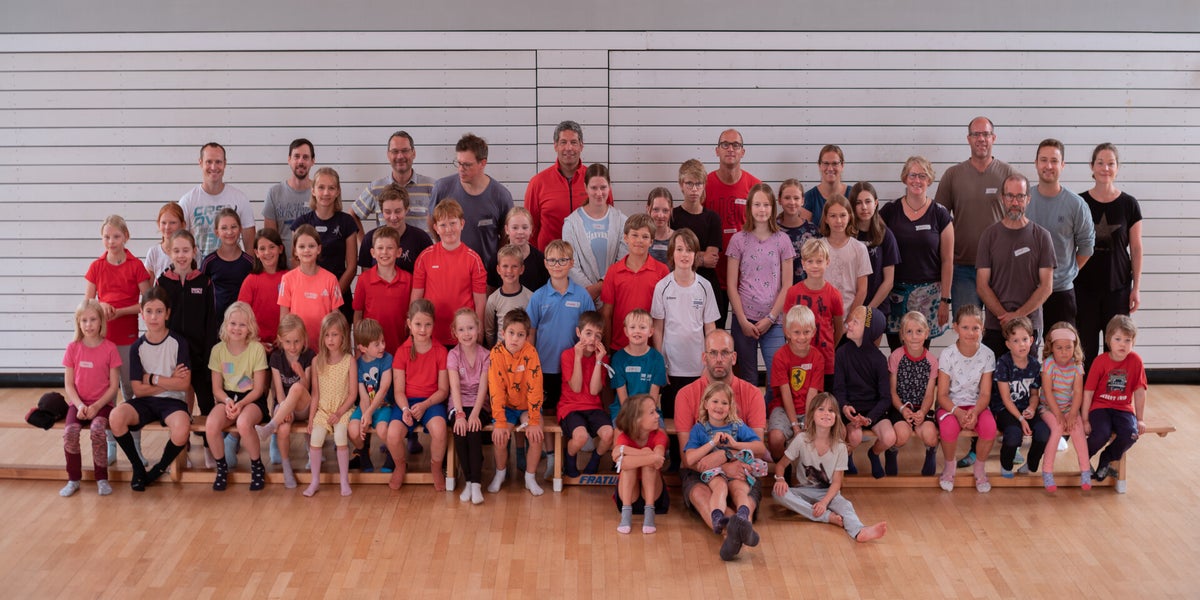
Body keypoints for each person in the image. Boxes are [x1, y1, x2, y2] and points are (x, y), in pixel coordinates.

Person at [673, 330, 766, 561]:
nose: (719, 359)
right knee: (701, 493)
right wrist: (723, 467)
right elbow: (687, 459)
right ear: (704, 357)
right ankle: (734, 533)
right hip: (701, 470)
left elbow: (758, 447)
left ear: (734, 357)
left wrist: (726, 457)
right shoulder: (686, 395)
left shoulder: (752, 393)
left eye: (725, 353)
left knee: (742, 492)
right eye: (713, 353)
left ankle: (736, 530)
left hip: (742, 467)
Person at [772, 392, 888, 542]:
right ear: (812, 414)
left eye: (831, 410)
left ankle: (859, 531)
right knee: (778, 493)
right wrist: (780, 479)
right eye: (821, 409)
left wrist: (824, 502)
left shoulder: (840, 447)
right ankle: (827, 517)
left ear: (836, 417)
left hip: (829, 493)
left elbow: (837, 482)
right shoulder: (801, 439)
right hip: (804, 491)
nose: (826, 413)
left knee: (846, 506)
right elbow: (781, 465)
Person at [108, 286, 192, 491]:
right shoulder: (137, 347)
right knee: (116, 417)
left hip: (173, 401)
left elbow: (183, 384)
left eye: (159, 311)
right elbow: (138, 390)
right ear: (142, 313)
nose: (154, 317)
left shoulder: (178, 343)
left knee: (182, 427)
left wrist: (152, 379)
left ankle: (159, 469)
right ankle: (138, 467)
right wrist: (169, 380)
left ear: (167, 314)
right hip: (144, 402)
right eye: (149, 311)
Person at [85, 214, 152, 464]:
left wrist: (121, 311)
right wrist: (101, 306)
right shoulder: (96, 266)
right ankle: (110, 445)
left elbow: (148, 303)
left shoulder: (136, 266)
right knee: (107, 395)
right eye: (107, 237)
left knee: (131, 392)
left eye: (116, 236)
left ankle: (136, 447)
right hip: (102, 340)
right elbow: (87, 304)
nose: (111, 241)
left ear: (126, 237)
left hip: (128, 339)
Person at [934, 117, 1017, 314]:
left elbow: (1018, 220)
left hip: (1000, 268)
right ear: (968, 138)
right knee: (967, 327)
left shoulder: (1008, 174)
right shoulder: (953, 175)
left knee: (1002, 327)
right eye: (976, 134)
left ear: (993, 138)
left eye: (986, 134)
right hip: (963, 269)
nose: (981, 139)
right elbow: (939, 221)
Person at [1077, 143, 1143, 369]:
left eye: (1110, 163)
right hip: (1084, 289)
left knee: (1116, 349)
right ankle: (1087, 391)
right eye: (1100, 163)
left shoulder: (1129, 204)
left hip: (1118, 289)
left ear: (1117, 168)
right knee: (1085, 348)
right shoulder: (1079, 202)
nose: (1105, 168)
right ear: (1092, 166)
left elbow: (1136, 248)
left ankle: (1113, 390)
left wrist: (1136, 287)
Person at [683, 381, 767, 561]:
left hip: (737, 472)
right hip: (714, 475)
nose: (719, 407)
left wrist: (734, 445)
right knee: (719, 486)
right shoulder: (699, 429)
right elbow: (689, 459)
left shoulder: (737, 426)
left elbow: (760, 447)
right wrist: (712, 443)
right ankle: (723, 522)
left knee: (739, 489)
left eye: (724, 403)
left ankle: (742, 520)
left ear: (730, 407)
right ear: (706, 403)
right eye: (715, 401)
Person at [976, 174, 1056, 360]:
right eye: (1010, 196)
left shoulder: (1042, 236)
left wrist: (1018, 316)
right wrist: (1004, 317)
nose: (1015, 202)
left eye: (1020, 196)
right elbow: (982, 285)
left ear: (1028, 199)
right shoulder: (989, 236)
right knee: (995, 378)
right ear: (1002, 198)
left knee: (1028, 377)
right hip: (996, 325)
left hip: (1029, 326)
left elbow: (1046, 286)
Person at [726, 182, 794, 399]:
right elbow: (731, 284)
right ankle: (750, 416)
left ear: (773, 207)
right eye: (757, 204)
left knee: (776, 377)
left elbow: (788, 284)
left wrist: (771, 317)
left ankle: (769, 414)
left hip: (773, 320)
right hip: (744, 319)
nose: (762, 209)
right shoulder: (738, 240)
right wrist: (742, 320)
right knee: (748, 378)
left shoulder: (783, 240)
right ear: (749, 207)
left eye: (766, 204)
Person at [879, 156, 954, 350]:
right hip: (894, 294)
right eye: (912, 175)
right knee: (896, 351)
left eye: (922, 176)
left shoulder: (940, 214)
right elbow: (876, 249)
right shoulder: (889, 211)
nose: (917, 180)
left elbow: (947, 261)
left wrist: (945, 300)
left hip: (928, 296)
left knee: (920, 352)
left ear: (929, 180)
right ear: (905, 178)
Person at [1025, 138, 1095, 329]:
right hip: (1027, 292)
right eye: (1043, 160)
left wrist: (1067, 272)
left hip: (1061, 293)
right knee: (1025, 346)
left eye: (1054, 161)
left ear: (1063, 165)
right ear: (1036, 163)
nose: (1048, 166)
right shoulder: (1023, 201)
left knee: (1061, 346)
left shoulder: (1076, 204)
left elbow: (1087, 246)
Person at [430, 133, 514, 288]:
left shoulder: (501, 196)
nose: (461, 169)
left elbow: (506, 236)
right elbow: (431, 222)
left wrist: (496, 264)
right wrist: (444, 246)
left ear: (483, 163)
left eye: (467, 165)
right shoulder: (442, 188)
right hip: (449, 274)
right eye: (459, 163)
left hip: (487, 277)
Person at [157, 230, 218, 442]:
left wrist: (210, 354)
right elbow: (158, 320)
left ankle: (209, 447)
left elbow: (211, 322)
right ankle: (181, 445)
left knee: (207, 403)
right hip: (174, 357)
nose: (181, 255)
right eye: (176, 251)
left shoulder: (204, 282)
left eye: (185, 250)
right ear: (169, 252)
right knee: (177, 405)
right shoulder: (162, 282)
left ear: (194, 251)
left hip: (200, 356)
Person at [651, 228, 718, 420]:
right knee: (672, 417)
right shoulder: (662, 287)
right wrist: (661, 363)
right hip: (671, 367)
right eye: (679, 249)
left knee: (697, 418)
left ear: (696, 255)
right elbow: (658, 329)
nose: (684, 255)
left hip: (698, 366)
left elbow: (710, 328)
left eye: (689, 250)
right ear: (672, 253)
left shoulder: (705, 286)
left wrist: (709, 363)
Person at [204, 302, 270, 492]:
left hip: (251, 399)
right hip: (227, 398)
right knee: (211, 424)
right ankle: (221, 468)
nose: (237, 328)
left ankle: (257, 466)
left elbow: (259, 389)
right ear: (226, 324)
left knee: (243, 423)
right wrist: (227, 401)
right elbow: (217, 388)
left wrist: (240, 404)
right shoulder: (218, 350)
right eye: (233, 323)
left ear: (250, 326)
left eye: (242, 324)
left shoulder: (256, 349)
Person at [59, 300, 121, 497]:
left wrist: (96, 406)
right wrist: (79, 405)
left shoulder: (110, 348)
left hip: (102, 405)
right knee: (70, 433)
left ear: (101, 321)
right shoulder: (72, 348)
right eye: (84, 320)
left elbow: (113, 387)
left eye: (93, 319)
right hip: (78, 404)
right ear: (78, 323)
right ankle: (73, 479)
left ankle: (102, 478)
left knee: (97, 430)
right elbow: (69, 385)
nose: (89, 325)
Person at [527, 240, 594, 419]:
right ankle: (549, 441)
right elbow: (531, 332)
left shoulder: (582, 296)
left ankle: (568, 438)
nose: (557, 265)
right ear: (545, 263)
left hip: (573, 366)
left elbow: (590, 330)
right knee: (548, 411)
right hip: (545, 365)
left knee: (570, 409)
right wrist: (531, 362)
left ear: (571, 263)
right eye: (552, 260)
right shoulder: (538, 297)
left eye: (562, 260)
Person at [389, 298, 450, 491]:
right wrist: (405, 409)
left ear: (434, 324)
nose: (422, 330)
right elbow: (398, 391)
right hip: (406, 402)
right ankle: (400, 466)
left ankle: (436, 468)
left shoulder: (441, 352)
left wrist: (425, 405)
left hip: (432, 402)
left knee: (440, 431)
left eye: (427, 325)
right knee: (393, 435)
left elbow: (443, 390)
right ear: (409, 324)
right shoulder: (401, 352)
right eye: (418, 324)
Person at [936, 305, 996, 493]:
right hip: (950, 405)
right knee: (948, 429)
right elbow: (942, 395)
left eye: (975, 328)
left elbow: (985, 394)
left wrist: (975, 412)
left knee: (989, 428)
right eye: (965, 327)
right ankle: (949, 466)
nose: (970, 333)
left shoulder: (987, 354)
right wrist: (958, 412)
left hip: (976, 405)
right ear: (955, 327)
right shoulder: (947, 354)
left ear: (982, 328)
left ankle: (979, 468)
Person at [412, 199, 488, 348]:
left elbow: (480, 301)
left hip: (464, 336)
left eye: (453, 223)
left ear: (462, 224)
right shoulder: (425, 257)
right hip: (431, 335)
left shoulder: (474, 259)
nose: (448, 229)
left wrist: (479, 331)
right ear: (436, 228)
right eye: (443, 225)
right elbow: (416, 298)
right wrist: (414, 330)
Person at [525, 120, 611, 250]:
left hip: (589, 258)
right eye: (563, 142)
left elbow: (609, 220)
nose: (569, 148)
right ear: (555, 146)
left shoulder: (596, 181)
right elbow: (530, 228)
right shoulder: (538, 183)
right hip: (549, 259)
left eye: (574, 142)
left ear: (581, 146)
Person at [488, 308, 546, 496]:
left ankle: (530, 477)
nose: (515, 339)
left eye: (520, 335)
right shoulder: (496, 353)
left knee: (536, 435)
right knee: (500, 437)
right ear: (503, 333)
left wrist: (534, 420)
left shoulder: (531, 353)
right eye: (511, 333)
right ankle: (500, 473)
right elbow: (495, 389)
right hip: (506, 408)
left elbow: (535, 387)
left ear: (527, 337)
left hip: (527, 408)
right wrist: (500, 421)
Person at [707, 130, 762, 327]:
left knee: (745, 336)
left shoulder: (755, 187)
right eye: (725, 144)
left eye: (736, 145)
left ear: (743, 152)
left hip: (747, 277)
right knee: (715, 335)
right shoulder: (704, 185)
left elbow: (764, 231)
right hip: (713, 276)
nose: (730, 149)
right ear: (717, 150)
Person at [1084, 315, 1148, 483]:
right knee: (1101, 434)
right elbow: (1088, 392)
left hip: (1123, 408)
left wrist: (1140, 419)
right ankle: (1084, 459)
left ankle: (1106, 459)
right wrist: (1084, 419)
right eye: (1118, 339)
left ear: (1133, 342)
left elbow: (1140, 391)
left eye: (1127, 340)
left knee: (1131, 434)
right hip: (1100, 407)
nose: (1122, 344)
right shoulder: (1100, 361)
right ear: (1108, 340)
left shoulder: (1136, 361)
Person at [834, 306, 895, 478]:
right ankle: (848, 456)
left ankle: (874, 454)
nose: (849, 324)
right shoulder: (841, 353)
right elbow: (838, 389)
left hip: (874, 411)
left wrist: (869, 418)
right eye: (850, 320)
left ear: (868, 330)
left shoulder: (879, 360)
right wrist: (845, 407)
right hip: (851, 411)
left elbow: (885, 398)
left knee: (890, 438)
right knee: (855, 437)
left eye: (856, 322)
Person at [254, 314, 315, 489]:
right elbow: (278, 391)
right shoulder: (276, 358)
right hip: (285, 408)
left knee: (296, 387)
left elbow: (306, 387)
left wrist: (301, 374)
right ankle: (287, 467)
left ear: (303, 339)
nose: (293, 347)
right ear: (280, 339)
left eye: (297, 341)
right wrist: (284, 408)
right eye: (288, 342)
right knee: (284, 429)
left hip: (303, 406)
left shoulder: (309, 355)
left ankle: (270, 426)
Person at [292, 167, 358, 323]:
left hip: (339, 295)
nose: (326, 193)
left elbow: (352, 267)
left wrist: (332, 296)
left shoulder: (347, 222)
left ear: (338, 191)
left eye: (331, 188)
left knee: (337, 337)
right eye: (321, 187)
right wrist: (312, 294)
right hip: (308, 296)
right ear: (313, 190)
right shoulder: (301, 223)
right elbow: (295, 262)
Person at [304, 312, 357, 497]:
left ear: (343, 336)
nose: (330, 339)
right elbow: (315, 394)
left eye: (334, 334)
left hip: (343, 410)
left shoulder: (349, 361)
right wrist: (311, 418)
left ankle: (344, 480)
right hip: (323, 411)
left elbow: (353, 394)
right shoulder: (317, 361)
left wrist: (339, 413)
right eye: (327, 335)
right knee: (315, 439)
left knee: (341, 435)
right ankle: (315, 481)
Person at [562, 163, 628, 305]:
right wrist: (589, 292)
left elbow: (623, 261)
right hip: (583, 296)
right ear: (585, 187)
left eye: (603, 187)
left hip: (614, 296)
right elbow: (571, 264)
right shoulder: (571, 223)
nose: (599, 193)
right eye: (594, 188)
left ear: (609, 187)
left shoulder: (621, 221)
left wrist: (599, 287)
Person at [601, 213, 669, 350]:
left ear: (651, 241)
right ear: (625, 238)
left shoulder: (662, 271)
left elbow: (666, 315)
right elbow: (607, 314)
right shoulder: (613, 272)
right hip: (619, 347)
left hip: (650, 348)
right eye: (635, 235)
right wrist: (607, 349)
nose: (639, 240)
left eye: (645, 237)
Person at [785, 238, 844, 391]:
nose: (815, 266)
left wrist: (829, 346)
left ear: (827, 262)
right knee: (801, 399)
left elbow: (839, 329)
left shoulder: (834, 295)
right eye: (810, 261)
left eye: (819, 261)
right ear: (803, 264)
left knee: (824, 399)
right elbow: (786, 326)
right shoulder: (793, 292)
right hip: (798, 358)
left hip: (826, 360)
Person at [178, 142, 255, 260]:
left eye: (218, 162)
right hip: (198, 270)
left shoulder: (240, 199)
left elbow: (250, 247)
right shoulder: (187, 201)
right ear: (200, 163)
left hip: (233, 269)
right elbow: (178, 242)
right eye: (209, 162)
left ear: (225, 163)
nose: (213, 167)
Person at [993, 317, 1049, 479]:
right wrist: (1021, 419)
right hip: (1006, 409)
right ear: (1008, 344)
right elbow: (1005, 398)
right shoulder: (1003, 363)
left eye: (1024, 339)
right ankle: (1006, 465)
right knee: (1014, 435)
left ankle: (1031, 464)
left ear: (1031, 340)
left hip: (1025, 407)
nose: (1021, 344)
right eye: (1016, 341)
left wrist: (1032, 408)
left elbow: (1034, 394)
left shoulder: (1035, 365)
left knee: (1043, 433)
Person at [559, 311, 613, 478]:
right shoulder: (568, 355)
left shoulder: (603, 358)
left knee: (609, 434)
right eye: (588, 333)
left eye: (597, 336)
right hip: (571, 407)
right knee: (580, 437)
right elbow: (576, 387)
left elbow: (594, 391)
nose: (592, 339)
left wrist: (599, 361)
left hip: (594, 407)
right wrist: (578, 357)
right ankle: (569, 460)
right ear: (578, 332)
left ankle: (595, 460)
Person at [1039, 322, 1092, 491]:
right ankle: (1047, 471)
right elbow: (1047, 392)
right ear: (1052, 347)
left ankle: (1085, 471)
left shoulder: (1077, 365)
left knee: (1078, 431)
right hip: (1049, 409)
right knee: (1057, 429)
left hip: (1069, 408)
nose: (1064, 352)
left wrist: (1072, 414)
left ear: (1074, 346)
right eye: (1059, 348)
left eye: (1068, 347)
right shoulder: (1048, 364)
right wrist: (1059, 415)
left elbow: (1078, 392)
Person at [766, 305, 823, 463]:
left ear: (813, 331)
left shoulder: (817, 357)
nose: (802, 337)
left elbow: (812, 394)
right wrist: (795, 426)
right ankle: (783, 465)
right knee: (775, 438)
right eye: (797, 332)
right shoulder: (780, 356)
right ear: (787, 332)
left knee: (823, 435)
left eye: (806, 332)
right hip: (783, 407)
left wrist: (807, 424)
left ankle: (812, 469)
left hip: (809, 408)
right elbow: (785, 393)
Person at [670, 159, 723, 324]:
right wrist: (700, 257)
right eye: (689, 184)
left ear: (704, 185)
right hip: (678, 286)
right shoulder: (672, 217)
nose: (694, 189)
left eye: (698, 184)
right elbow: (671, 258)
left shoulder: (712, 218)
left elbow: (711, 259)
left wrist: (684, 256)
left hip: (708, 286)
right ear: (681, 184)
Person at [887, 312, 939, 476]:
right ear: (902, 335)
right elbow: (892, 391)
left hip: (921, 408)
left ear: (926, 333)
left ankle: (931, 451)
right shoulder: (896, 357)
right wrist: (903, 409)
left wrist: (922, 412)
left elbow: (930, 394)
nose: (914, 336)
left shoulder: (932, 361)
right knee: (902, 435)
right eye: (909, 332)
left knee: (931, 436)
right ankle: (891, 451)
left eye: (919, 331)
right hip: (900, 407)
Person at [353, 130, 436, 234]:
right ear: (388, 155)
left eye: (405, 150)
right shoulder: (375, 188)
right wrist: (365, 240)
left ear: (413, 153)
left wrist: (436, 242)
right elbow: (353, 215)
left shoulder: (431, 187)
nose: (400, 156)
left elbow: (446, 219)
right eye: (395, 151)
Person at [448, 309, 491, 505]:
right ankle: (468, 480)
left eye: (471, 328)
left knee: (473, 430)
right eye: (461, 329)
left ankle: (476, 483)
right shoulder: (453, 355)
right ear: (455, 332)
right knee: (460, 431)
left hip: (479, 404)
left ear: (478, 328)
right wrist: (460, 414)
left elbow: (483, 388)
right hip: (458, 404)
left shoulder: (486, 355)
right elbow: (455, 387)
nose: (467, 333)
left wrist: (474, 414)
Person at [278, 224, 343, 352]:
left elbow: (335, 318)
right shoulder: (287, 279)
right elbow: (284, 317)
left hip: (324, 349)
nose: (306, 250)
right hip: (298, 349)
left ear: (319, 249)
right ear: (295, 251)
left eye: (311, 246)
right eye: (302, 246)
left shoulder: (331, 279)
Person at [353, 225, 413, 355]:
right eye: (380, 248)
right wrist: (358, 348)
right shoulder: (364, 280)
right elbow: (358, 315)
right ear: (373, 253)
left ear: (399, 252)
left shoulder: (408, 280)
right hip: (371, 353)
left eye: (390, 248)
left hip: (401, 351)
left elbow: (412, 317)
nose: (384, 252)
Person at [613, 394, 667, 535]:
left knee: (648, 465)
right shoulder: (624, 437)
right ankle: (626, 514)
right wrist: (645, 453)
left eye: (656, 411)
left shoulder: (659, 435)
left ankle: (649, 513)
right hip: (629, 497)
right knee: (630, 466)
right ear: (637, 419)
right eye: (652, 412)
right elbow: (621, 462)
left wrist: (625, 451)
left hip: (654, 496)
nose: (657, 416)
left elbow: (658, 460)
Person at [347, 318, 394, 474]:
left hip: (384, 406)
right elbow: (363, 395)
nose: (383, 346)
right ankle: (363, 454)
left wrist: (369, 413)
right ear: (363, 347)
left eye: (383, 341)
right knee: (354, 430)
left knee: (382, 430)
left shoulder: (387, 359)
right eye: (377, 344)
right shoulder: (358, 364)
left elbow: (384, 388)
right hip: (366, 406)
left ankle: (393, 456)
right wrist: (365, 416)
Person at [356, 184, 433, 275]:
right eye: (388, 212)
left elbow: (430, 274)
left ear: (406, 210)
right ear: (382, 211)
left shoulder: (421, 239)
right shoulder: (369, 239)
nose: (393, 217)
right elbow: (366, 277)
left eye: (398, 211)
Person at [851, 182, 899, 319]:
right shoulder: (847, 234)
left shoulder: (885, 235)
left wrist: (868, 311)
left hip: (876, 308)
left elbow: (889, 281)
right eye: (858, 203)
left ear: (876, 203)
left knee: (869, 333)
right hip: (849, 306)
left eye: (868, 201)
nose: (864, 207)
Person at [610, 309, 667, 422]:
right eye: (632, 327)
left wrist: (644, 418)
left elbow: (653, 397)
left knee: (658, 432)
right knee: (622, 430)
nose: (637, 331)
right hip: (624, 410)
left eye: (642, 327)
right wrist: (634, 419)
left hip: (649, 411)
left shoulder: (657, 359)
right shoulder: (618, 358)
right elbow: (623, 397)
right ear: (626, 331)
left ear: (651, 331)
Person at [237, 228, 288, 352]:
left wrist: (285, 337)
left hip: (286, 344)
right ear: (256, 252)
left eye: (272, 247)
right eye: (262, 248)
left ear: (280, 249)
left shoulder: (289, 278)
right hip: (255, 344)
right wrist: (254, 341)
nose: (267, 252)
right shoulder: (250, 281)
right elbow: (241, 315)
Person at [819, 194, 871, 315]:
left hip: (849, 315)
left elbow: (862, 290)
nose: (838, 221)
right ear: (826, 219)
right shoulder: (818, 247)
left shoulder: (859, 249)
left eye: (843, 215)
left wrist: (850, 320)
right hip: (822, 315)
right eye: (833, 216)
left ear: (850, 217)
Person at [263, 138, 315, 254]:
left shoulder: (320, 195)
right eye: (296, 156)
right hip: (282, 263)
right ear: (289, 160)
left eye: (305, 157)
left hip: (312, 263)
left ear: (313, 161)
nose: (301, 161)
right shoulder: (274, 193)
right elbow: (270, 239)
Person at [201, 207, 255, 321]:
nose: (229, 232)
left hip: (242, 323)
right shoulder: (209, 262)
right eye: (224, 228)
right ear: (217, 232)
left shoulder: (249, 263)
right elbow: (201, 293)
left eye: (233, 227)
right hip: (215, 323)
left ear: (240, 229)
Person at [484, 244, 532, 348]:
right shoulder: (493, 300)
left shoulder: (530, 298)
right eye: (505, 266)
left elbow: (531, 330)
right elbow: (489, 331)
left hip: (523, 353)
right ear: (498, 269)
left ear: (521, 269)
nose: (509, 271)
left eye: (514, 266)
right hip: (500, 353)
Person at [777, 179, 819, 285]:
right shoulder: (772, 229)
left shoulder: (813, 231)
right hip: (777, 290)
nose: (792, 202)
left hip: (805, 289)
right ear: (779, 200)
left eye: (796, 198)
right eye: (787, 198)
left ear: (802, 201)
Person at [804, 144, 852, 228]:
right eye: (826, 163)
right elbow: (803, 232)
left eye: (835, 163)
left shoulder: (853, 194)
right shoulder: (809, 197)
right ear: (819, 165)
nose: (830, 168)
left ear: (842, 165)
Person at [502, 207, 549, 292]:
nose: (520, 232)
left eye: (524, 227)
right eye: (515, 228)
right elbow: (491, 291)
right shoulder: (496, 260)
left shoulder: (541, 260)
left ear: (531, 229)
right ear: (507, 229)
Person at [144, 202, 185, 278]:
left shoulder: (191, 252)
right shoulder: (154, 252)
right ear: (158, 224)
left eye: (173, 223)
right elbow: (148, 285)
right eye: (163, 223)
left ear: (183, 225)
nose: (167, 227)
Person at [646, 187, 674, 265]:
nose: (660, 215)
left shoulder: (677, 239)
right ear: (648, 209)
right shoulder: (640, 238)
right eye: (656, 209)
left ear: (671, 210)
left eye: (665, 210)